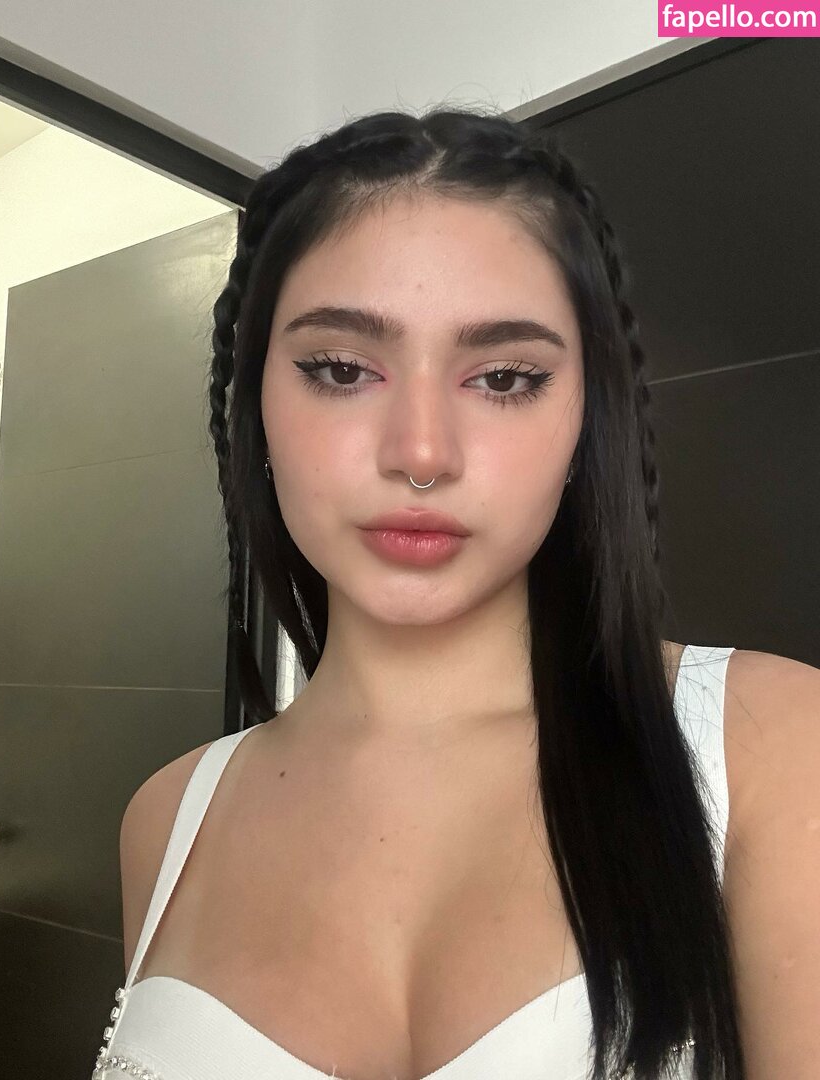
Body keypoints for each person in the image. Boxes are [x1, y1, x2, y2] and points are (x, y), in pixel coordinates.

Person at [96, 106, 820, 1080]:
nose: (423, 452)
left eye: (506, 379)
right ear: (257, 402)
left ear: (586, 422)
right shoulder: (165, 821)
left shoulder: (773, 749)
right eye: (341, 369)